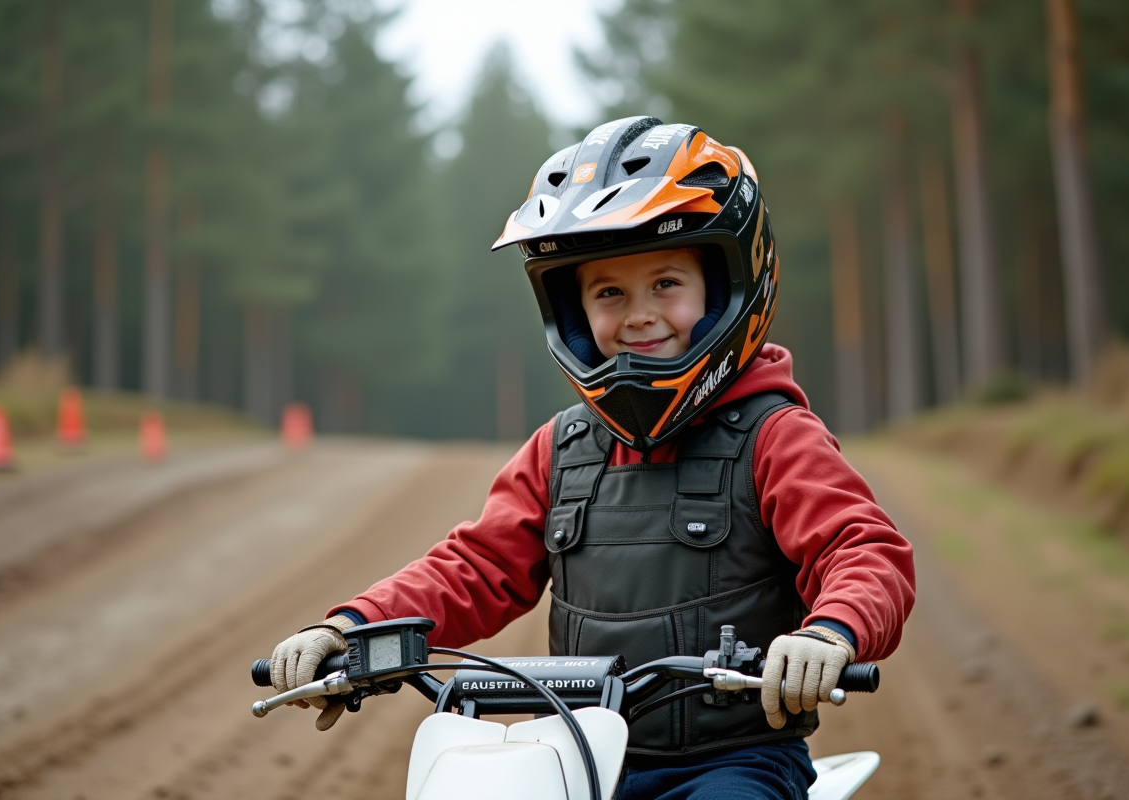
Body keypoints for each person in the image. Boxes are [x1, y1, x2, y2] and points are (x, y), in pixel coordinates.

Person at [269, 117, 915, 799]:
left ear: (727, 284)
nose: (639, 314)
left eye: (666, 283)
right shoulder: (562, 449)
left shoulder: (775, 437)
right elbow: (476, 566)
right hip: (581, 754)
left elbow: (862, 548)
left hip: (733, 763)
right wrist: (353, 627)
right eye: (609, 293)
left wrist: (832, 632)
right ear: (572, 310)